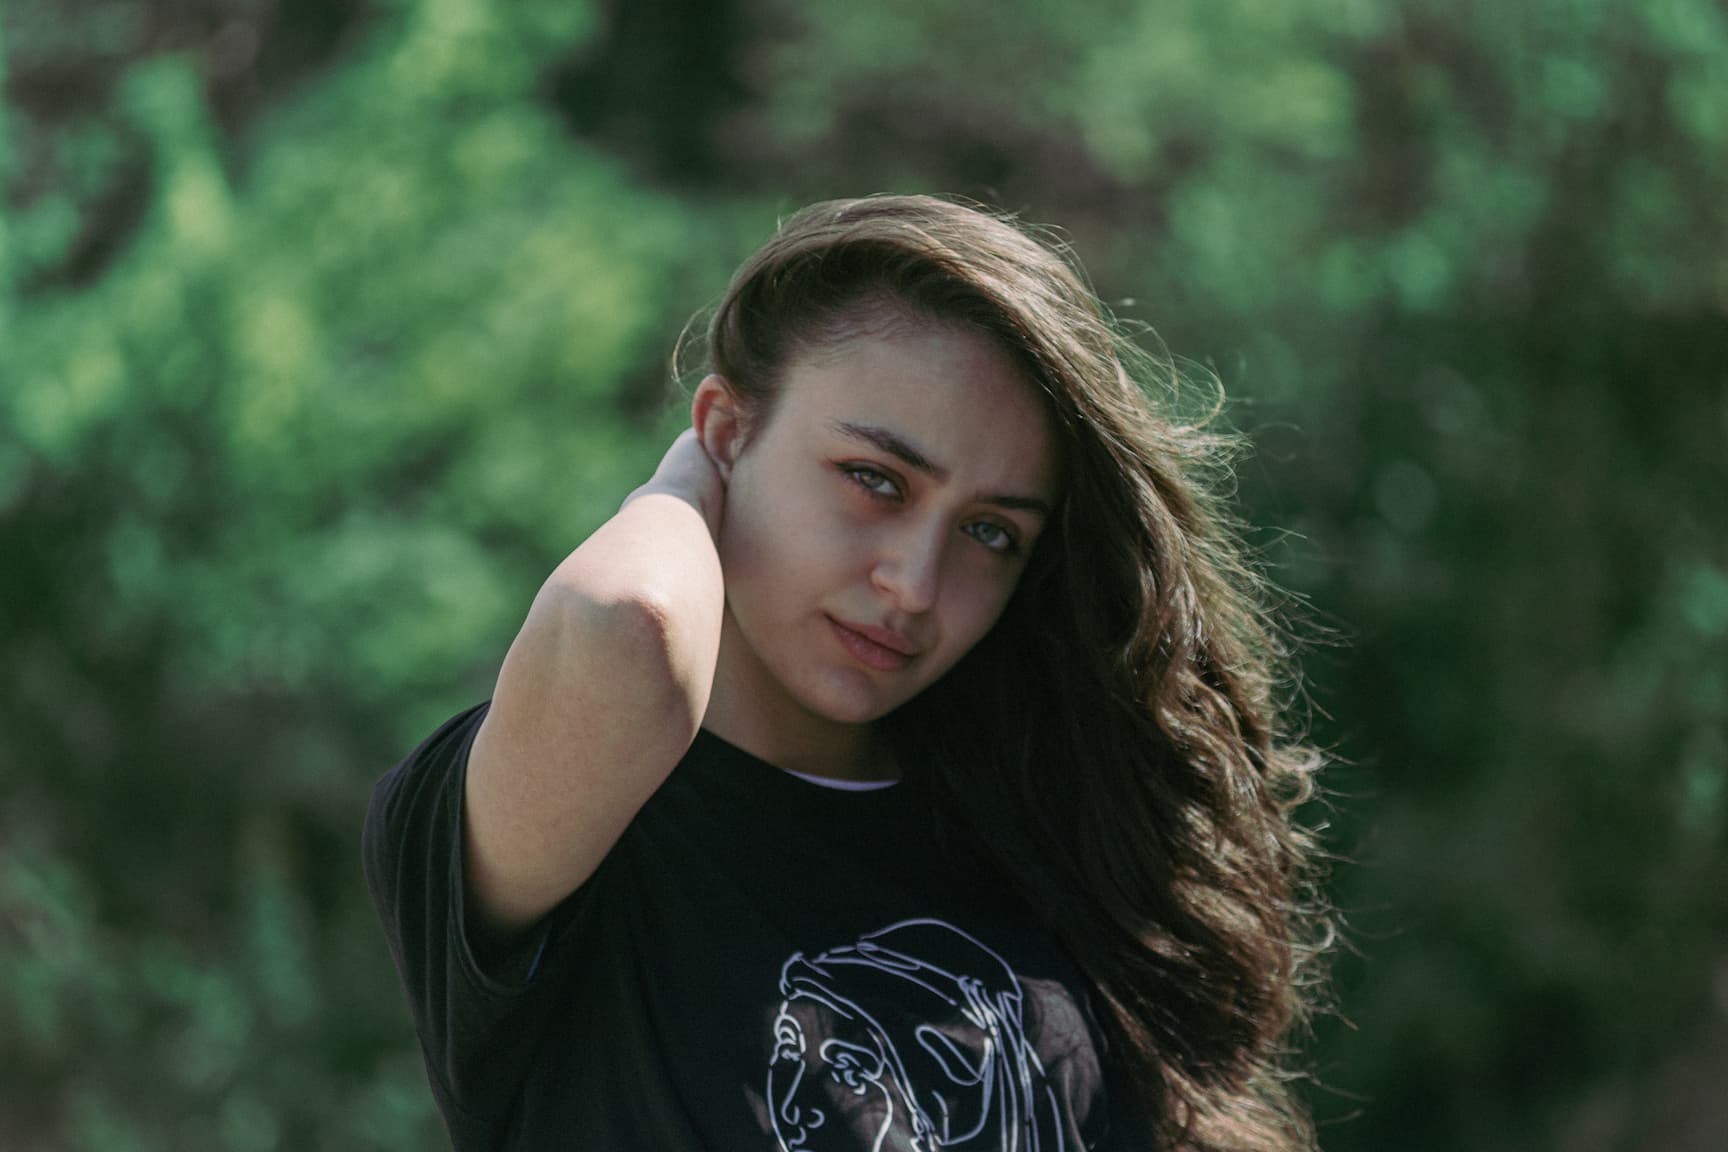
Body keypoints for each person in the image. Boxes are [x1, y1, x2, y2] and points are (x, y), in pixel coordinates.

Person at [364, 194, 1330, 1151]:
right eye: (876, 480)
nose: (913, 584)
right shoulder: (581, 834)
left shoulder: (1041, 841)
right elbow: (629, 622)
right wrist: (682, 482)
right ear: (729, 431)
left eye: (991, 532)